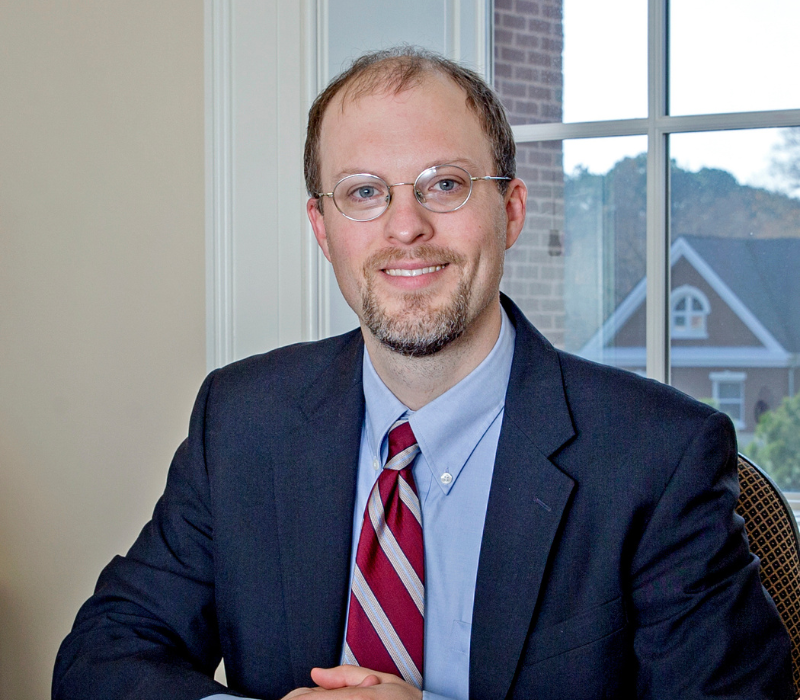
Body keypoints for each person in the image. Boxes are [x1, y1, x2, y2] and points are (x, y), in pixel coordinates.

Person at [53, 47, 793, 700]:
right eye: (365, 192)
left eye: (443, 184)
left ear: (510, 211)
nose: (405, 226)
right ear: (322, 228)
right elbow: (102, 657)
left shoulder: (657, 456)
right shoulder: (242, 420)